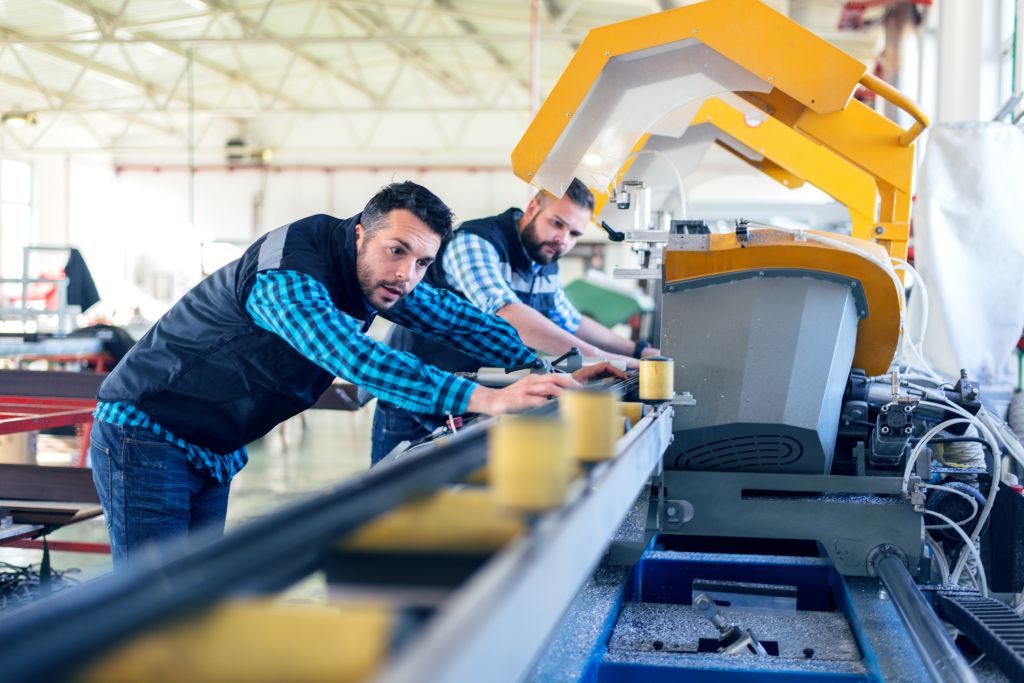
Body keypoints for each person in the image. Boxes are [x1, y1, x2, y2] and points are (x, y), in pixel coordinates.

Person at [90, 181, 615, 568]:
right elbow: (354, 357)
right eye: (397, 251)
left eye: (423, 263)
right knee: (150, 601)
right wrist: (484, 398)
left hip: (212, 442)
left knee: (190, 593)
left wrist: (553, 367)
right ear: (361, 233)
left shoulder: (378, 274)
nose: (406, 275)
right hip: (147, 430)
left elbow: (458, 318)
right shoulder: (288, 273)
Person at [372, 179, 657, 463]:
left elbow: (571, 321)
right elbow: (508, 315)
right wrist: (598, 357)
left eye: (574, 233)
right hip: (418, 393)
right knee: (391, 496)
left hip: (482, 395)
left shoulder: (543, 265)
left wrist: (639, 352)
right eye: (557, 223)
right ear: (533, 207)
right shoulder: (476, 242)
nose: (563, 240)